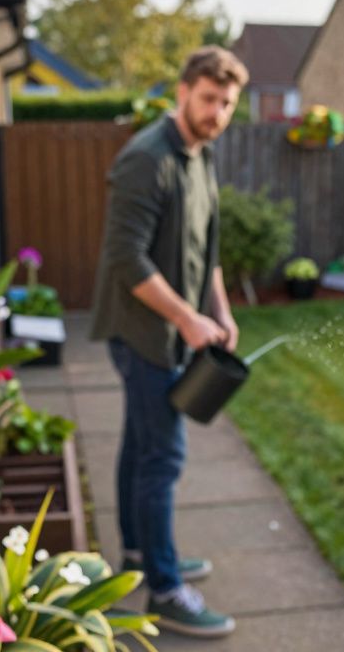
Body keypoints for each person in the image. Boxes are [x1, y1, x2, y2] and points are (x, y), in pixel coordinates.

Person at [89, 46, 248, 638]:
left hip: (170, 328)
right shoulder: (146, 160)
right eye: (208, 99)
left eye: (227, 103)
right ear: (182, 92)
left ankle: (137, 553)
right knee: (164, 455)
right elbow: (125, 259)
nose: (216, 113)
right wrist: (186, 320)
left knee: (140, 444)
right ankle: (163, 587)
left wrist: (220, 312)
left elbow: (205, 252)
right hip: (142, 334)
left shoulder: (199, 156)